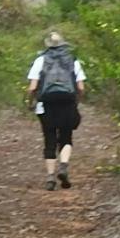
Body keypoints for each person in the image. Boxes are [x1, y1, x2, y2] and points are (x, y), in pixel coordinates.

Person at [25, 30, 87, 190]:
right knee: (66, 136)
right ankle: (64, 166)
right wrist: (77, 101)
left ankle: (51, 177)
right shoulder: (73, 61)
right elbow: (81, 87)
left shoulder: (40, 60)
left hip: (46, 104)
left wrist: (30, 103)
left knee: (49, 138)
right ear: (63, 45)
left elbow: (32, 87)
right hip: (68, 102)